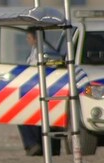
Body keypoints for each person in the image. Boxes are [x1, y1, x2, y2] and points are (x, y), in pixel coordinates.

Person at [18, 27, 61, 156]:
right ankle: (38, 146)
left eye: (29, 38)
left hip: (41, 88)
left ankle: (33, 145)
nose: (27, 40)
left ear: (36, 38)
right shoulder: (35, 50)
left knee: (25, 116)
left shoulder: (44, 52)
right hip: (35, 88)